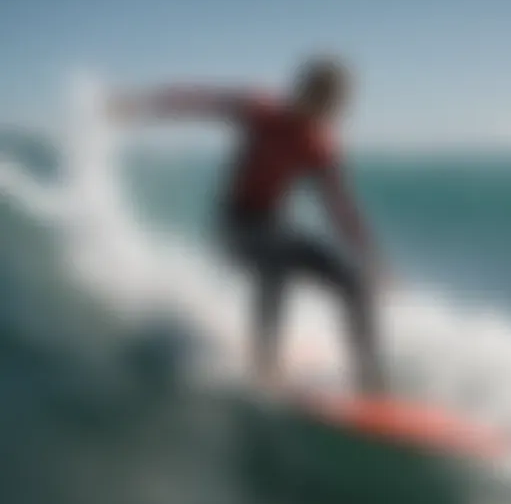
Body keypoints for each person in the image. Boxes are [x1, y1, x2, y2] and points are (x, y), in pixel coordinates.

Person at [108, 56, 388, 394]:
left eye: (337, 101)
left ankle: (370, 381)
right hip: (234, 229)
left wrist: (372, 258)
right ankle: (264, 363)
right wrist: (138, 106)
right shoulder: (262, 112)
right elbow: (199, 102)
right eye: (327, 97)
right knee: (279, 259)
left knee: (353, 283)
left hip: (275, 229)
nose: (333, 107)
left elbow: (341, 208)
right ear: (307, 90)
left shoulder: (320, 145)